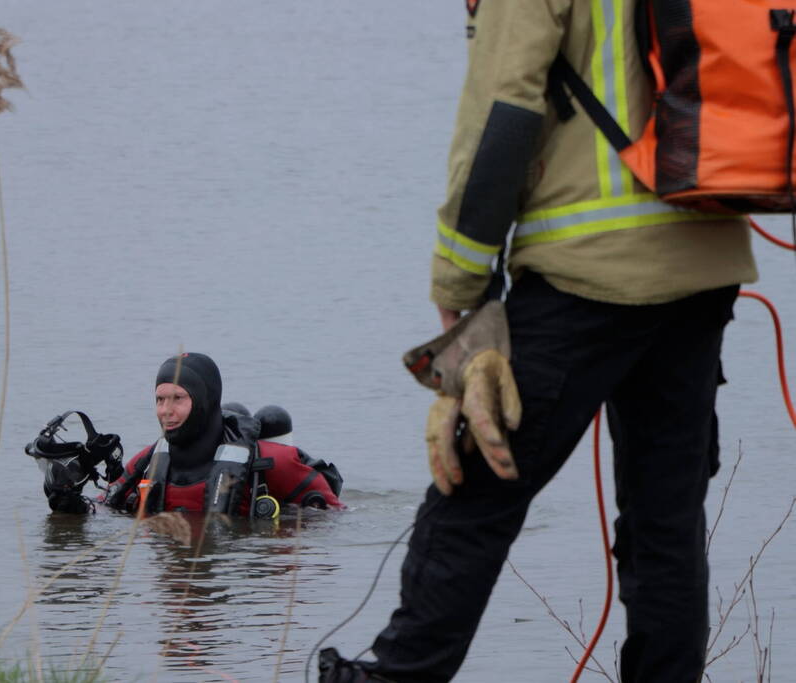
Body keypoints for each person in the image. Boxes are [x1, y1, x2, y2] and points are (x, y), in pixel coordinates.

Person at [319, 1, 757, 681]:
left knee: (471, 486)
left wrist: (459, 286)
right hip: (704, 261)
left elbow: (501, 113)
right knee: (664, 524)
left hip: (584, 266)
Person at [102, 352, 343, 516]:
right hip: (172, 582)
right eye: (160, 400)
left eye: (178, 398)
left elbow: (335, 519)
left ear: (205, 402)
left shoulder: (271, 462)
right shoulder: (148, 462)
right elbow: (105, 507)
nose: (166, 411)